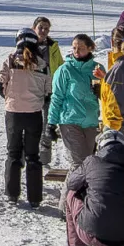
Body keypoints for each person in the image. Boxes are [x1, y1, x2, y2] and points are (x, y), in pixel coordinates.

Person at [0, 27, 50, 207]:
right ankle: (34, 197)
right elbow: (48, 91)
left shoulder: (10, 60)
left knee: (13, 152)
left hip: (13, 113)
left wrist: (10, 97)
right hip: (34, 114)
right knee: (33, 156)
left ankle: (12, 194)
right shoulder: (42, 64)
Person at [47, 32, 103, 171]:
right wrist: (51, 123)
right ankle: (70, 193)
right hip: (70, 120)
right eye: (74, 48)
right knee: (79, 165)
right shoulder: (65, 70)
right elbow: (56, 97)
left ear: (90, 48)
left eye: (81, 48)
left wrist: (102, 90)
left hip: (90, 120)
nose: (76, 52)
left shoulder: (97, 69)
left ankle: (85, 193)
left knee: (89, 163)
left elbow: (108, 95)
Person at [32, 16, 67, 167]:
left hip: (50, 90)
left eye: (46, 28)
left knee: (48, 123)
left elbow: (60, 65)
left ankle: (44, 159)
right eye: (41, 27)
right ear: (34, 28)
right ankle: (31, 155)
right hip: (32, 90)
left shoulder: (53, 46)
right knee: (33, 124)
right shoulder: (27, 45)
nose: (44, 31)